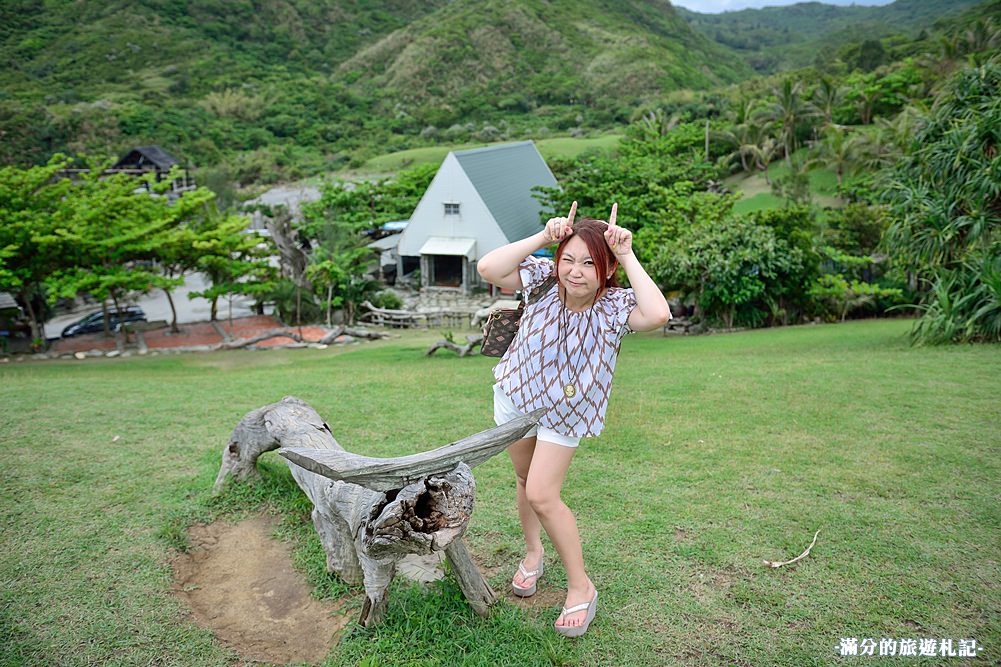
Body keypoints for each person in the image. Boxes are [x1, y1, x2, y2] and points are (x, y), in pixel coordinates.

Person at [476, 201, 671, 637]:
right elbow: (489, 267)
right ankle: (532, 554)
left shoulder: (615, 306)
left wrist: (625, 253)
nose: (575, 271)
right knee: (526, 482)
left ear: (606, 270)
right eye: (569, 259)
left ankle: (581, 587)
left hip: (565, 413)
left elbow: (657, 315)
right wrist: (546, 239)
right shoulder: (542, 280)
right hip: (514, 395)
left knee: (544, 493)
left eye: (589, 263)